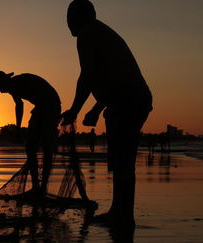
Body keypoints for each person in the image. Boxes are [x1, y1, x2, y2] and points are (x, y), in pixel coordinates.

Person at [61, 0, 153, 228]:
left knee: (123, 160)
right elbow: (91, 75)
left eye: (70, 18)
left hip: (129, 99)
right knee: (120, 159)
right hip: (126, 98)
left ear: (78, 18)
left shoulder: (88, 34)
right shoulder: (96, 32)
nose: (68, 24)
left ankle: (124, 216)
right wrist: (84, 108)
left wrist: (88, 108)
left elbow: (93, 77)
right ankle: (118, 210)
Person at [0, 71, 61, 195]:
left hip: (50, 105)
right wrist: (18, 128)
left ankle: (42, 187)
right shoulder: (13, 86)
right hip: (40, 107)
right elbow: (19, 105)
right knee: (30, 148)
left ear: (3, 82)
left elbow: (40, 97)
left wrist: (42, 121)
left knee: (46, 147)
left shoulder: (17, 83)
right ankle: (36, 186)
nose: (0, 91)